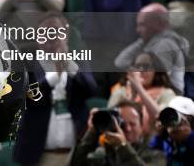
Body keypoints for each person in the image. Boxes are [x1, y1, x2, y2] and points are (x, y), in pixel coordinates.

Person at [13, 13, 98, 165]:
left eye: (54, 31)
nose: (49, 37)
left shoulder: (78, 60)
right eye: (43, 33)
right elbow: (25, 98)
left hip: (75, 153)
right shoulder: (27, 62)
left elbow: (91, 91)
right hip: (38, 154)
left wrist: (69, 65)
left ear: (65, 34)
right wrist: (53, 78)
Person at [115, 3, 189, 92]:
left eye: (142, 25)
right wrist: (143, 40)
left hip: (165, 101)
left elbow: (157, 81)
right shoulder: (152, 41)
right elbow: (120, 63)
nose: (138, 30)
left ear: (158, 24)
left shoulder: (165, 44)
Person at [71, 100, 166, 165]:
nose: (128, 129)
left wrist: (123, 146)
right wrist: (93, 130)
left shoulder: (155, 151)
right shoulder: (106, 152)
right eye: (123, 124)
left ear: (142, 126)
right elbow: (76, 163)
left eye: (132, 124)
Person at [110, 52, 178, 136]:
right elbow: (112, 121)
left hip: (154, 142)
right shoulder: (120, 92)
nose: (141, 70)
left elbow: (163, 118)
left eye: (146, 66)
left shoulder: (166, 93)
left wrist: (139, 88)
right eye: (137, 66)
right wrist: (132, 96)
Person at [150, 96, 194, 164]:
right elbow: (151, 152)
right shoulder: (167, 138)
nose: (173, 119)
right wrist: (159, 135)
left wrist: (189, 137)